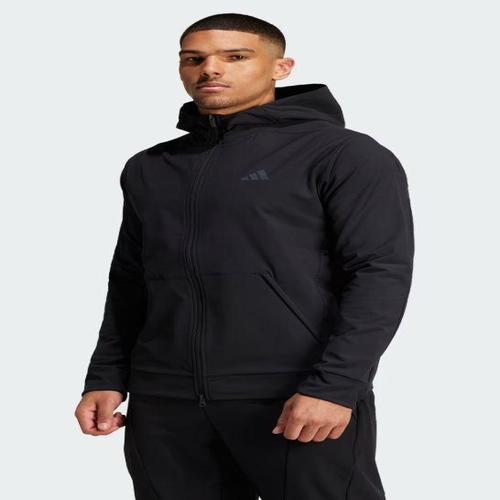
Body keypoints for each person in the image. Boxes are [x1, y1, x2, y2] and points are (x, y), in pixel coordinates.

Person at [74, 12, 414, 500]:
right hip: (165, 402)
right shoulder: (151, 166)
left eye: (235, 56)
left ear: (281, 67)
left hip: (294, 396)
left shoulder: (343, 154)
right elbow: (129, 279)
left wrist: (335, 386)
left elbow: (379, 274)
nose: (210, 69)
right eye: (194, 59)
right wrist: (107, 376)